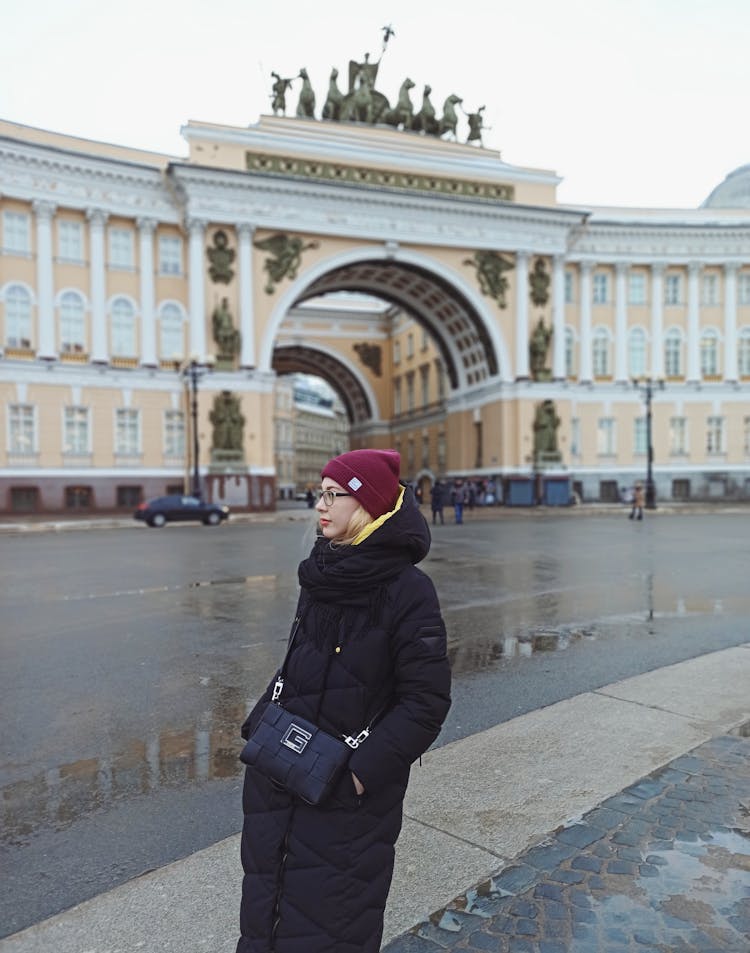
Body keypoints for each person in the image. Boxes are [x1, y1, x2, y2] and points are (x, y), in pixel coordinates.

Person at [236, 448, 452, 953]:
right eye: (322, 493)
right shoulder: (321, 572)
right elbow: (297, 667)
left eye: (335, 495)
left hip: (348, 799)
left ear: (369, 506)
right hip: (279, 778)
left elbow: (427, 702)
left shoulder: (408, 591)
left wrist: (359, 773)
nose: (321, 505)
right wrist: (259, 724)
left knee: (330, 923)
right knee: (265, 912)